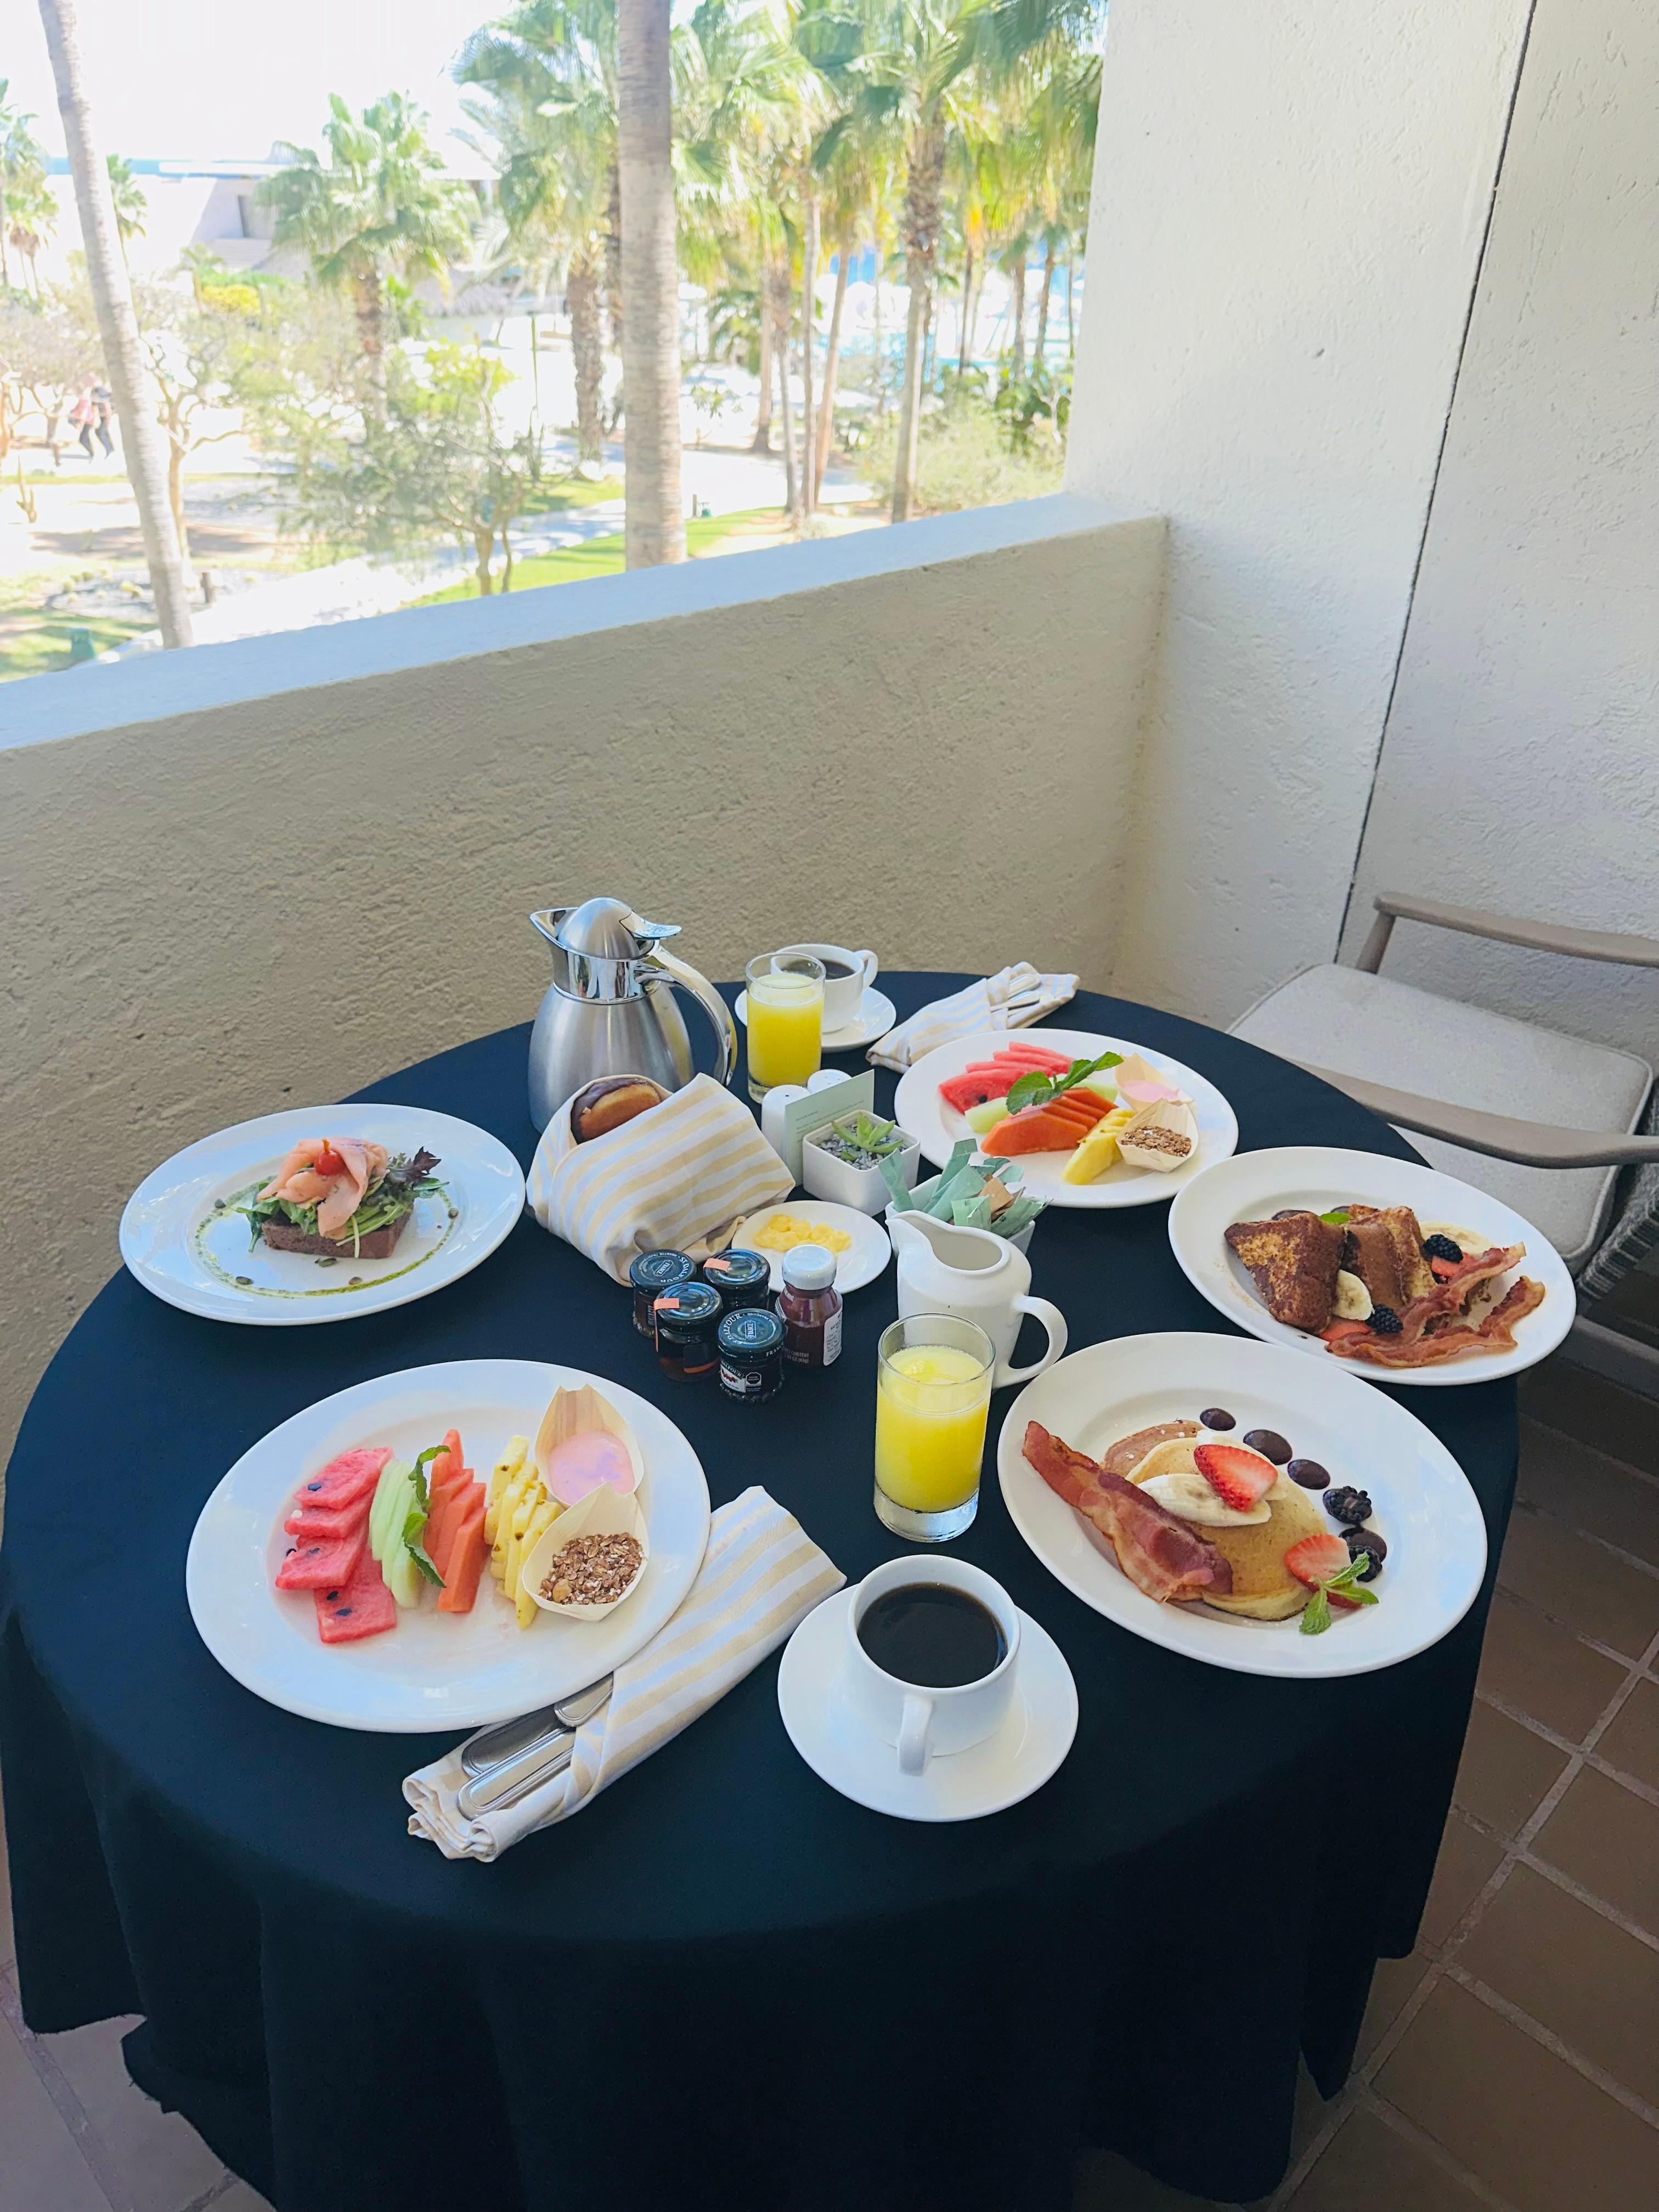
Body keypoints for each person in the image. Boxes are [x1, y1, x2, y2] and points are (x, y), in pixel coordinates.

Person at [91, 383, 115, 456]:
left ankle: (109, 450)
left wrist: (97, 415)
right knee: (104, 433)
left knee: (100, 433)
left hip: (106, 419)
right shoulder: (99, 400)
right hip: (104, 419)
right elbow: (94, 407)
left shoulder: (104, 401)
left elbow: (108, 413)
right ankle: (111, 450)